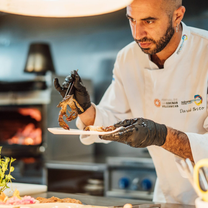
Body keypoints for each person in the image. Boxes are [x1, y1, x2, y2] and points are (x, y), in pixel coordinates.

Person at [54, 0, 208, 205]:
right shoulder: (128, 58)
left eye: (149, 21)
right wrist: (85, 109)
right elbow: (111, 119)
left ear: (177, 16)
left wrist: (160, 135)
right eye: (132, 20)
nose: (137, 33)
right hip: (168, 197)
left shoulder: (204, 51)